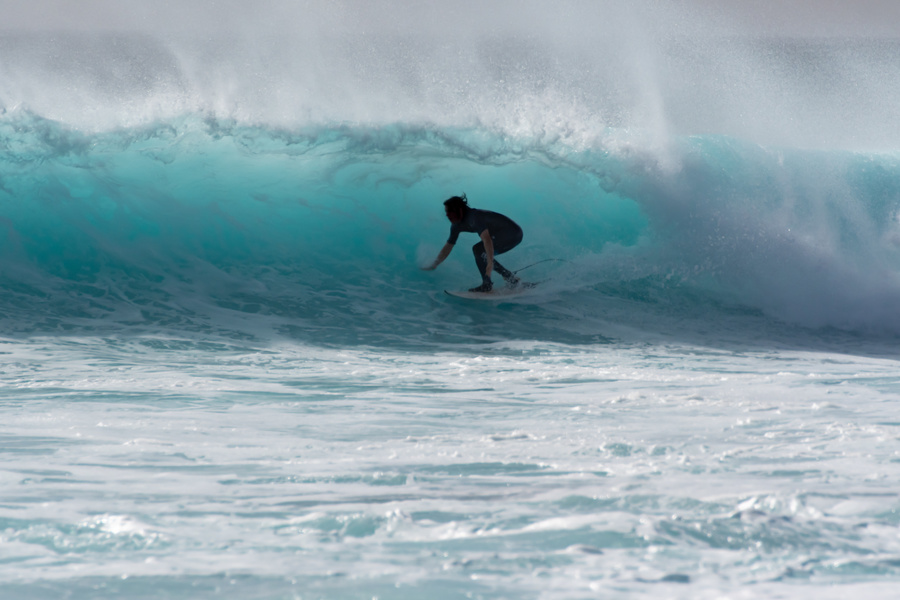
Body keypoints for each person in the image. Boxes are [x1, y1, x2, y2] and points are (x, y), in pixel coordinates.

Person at [422, 194, 522, 292]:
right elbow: (448, 246)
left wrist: (490, 264)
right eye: (446, 212)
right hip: (502, 234)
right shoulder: (456, 225)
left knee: (479, 250)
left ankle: (489, 284)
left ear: (459, 210)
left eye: (449, 211)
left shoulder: (474, 218)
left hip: (513, 233)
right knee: (479, 251)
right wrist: (435, 263)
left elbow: (487, 240)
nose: (447, 215)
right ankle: (509, 278)